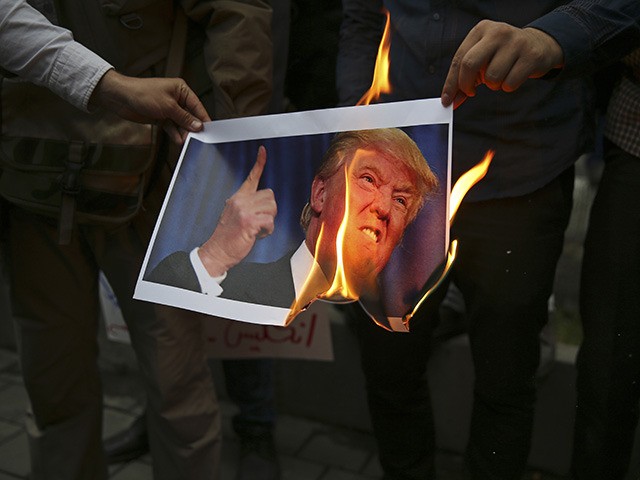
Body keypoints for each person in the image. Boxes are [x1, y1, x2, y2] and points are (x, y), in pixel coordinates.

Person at [0, 1, 272, 480]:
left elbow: (237, 12)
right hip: (31, 178)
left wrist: (230, 146)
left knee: (176, 383)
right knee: (52, 379)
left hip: (150, 186)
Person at [336, 2, 605, 479]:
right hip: (400, 173)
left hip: (520, 172)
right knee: (388, 364)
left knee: (506, 375)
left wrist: (551, 40)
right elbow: (362, 14)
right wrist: (355, 113)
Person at [436, 2, 640, 477]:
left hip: (528, 163)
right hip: (633, 142)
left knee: (509, 376)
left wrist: (552, 38)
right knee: (608, 379)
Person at [148, 128, 438, 314]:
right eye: (368, 180)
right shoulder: (230, 284)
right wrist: (215, 255)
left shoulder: (404, 315)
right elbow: (161, 312)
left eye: (401, 200)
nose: (385, 207)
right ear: (320, 195)